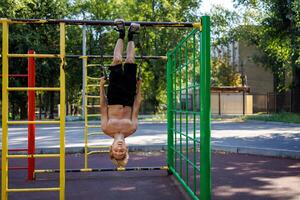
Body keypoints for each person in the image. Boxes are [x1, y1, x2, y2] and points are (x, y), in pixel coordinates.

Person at [100, 19, 142, 168]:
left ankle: (120, 32)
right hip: (129, 95)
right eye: (121, 151)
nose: (119, 148)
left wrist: (101, 86)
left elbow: (103, 106)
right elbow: (137, 105)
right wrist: (139, 86)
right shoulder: (132, 128)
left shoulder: (106, 128)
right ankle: (131, 35)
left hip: (114, 96)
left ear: (111, 148)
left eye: (116, 151)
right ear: (126, 149)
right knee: (130, 60)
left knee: (117, 60)